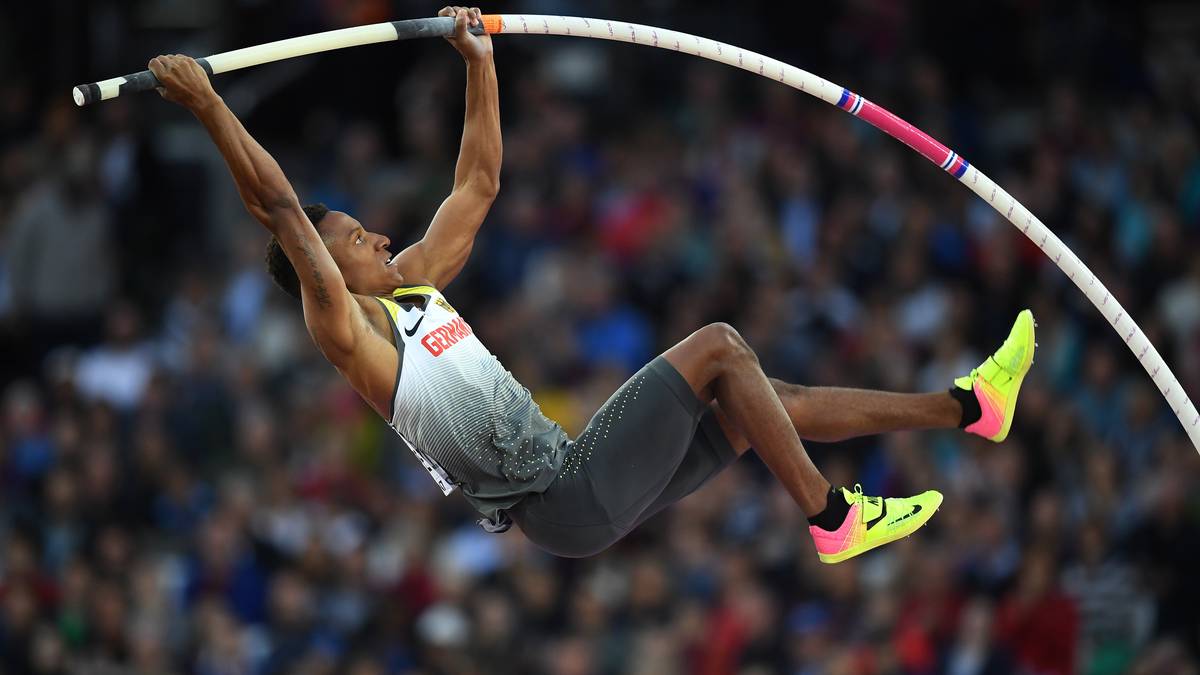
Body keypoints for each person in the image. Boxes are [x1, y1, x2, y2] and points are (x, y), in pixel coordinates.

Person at [145, 6, 1036, 563]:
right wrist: (211, 104)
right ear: (324, 269)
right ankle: (833, 516)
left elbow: (478, 184)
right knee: (720, 345)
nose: (376, 234)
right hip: (562, 495)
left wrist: (479, 63)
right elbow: (280, 209)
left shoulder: (411, 283)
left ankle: (967, 408)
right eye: (353, 237)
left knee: (758, 397)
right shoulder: (349, 331)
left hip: (578, 488)